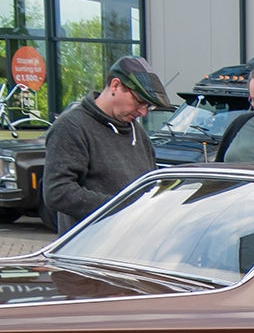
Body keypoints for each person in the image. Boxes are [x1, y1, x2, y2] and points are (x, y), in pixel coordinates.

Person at [44, 55, 175, 234]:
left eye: (148, 106)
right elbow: (58, 192)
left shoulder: (137, 132)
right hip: (89, 250)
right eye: (139, 101)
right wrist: (124, 209)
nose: (143, 112)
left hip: (131, 246)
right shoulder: (71, 127)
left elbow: (150, 185)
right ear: (115, 85)